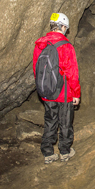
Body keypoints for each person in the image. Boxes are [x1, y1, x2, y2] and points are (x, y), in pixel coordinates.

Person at [33, 12, 81, 164]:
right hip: (64, 93)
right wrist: (76, 93)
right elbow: (72, 73)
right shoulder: (66, 46)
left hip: (47, 92)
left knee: (50, 120)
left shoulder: (40, 44)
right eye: (66, 28)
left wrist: (44, 88)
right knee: (65, 122)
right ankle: (65, 152)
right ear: (63, 27)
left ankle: (48, 152)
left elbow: (36, 69)